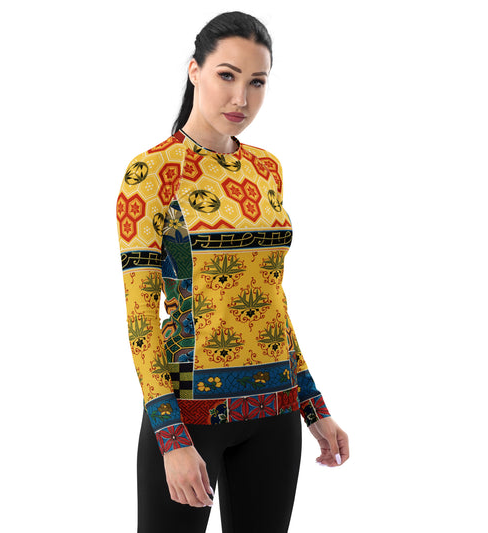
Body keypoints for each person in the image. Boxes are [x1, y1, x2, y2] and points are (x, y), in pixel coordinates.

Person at [116, 11, 350, 533]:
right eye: (227, 75)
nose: (240, 98)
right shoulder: (153, 172)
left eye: (256, 82)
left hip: (276, 414)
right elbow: (140, 318)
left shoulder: (267, 168)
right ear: (194, 70)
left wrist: (314, 407)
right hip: (190, 417)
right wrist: (170, 439)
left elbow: (272, 302)